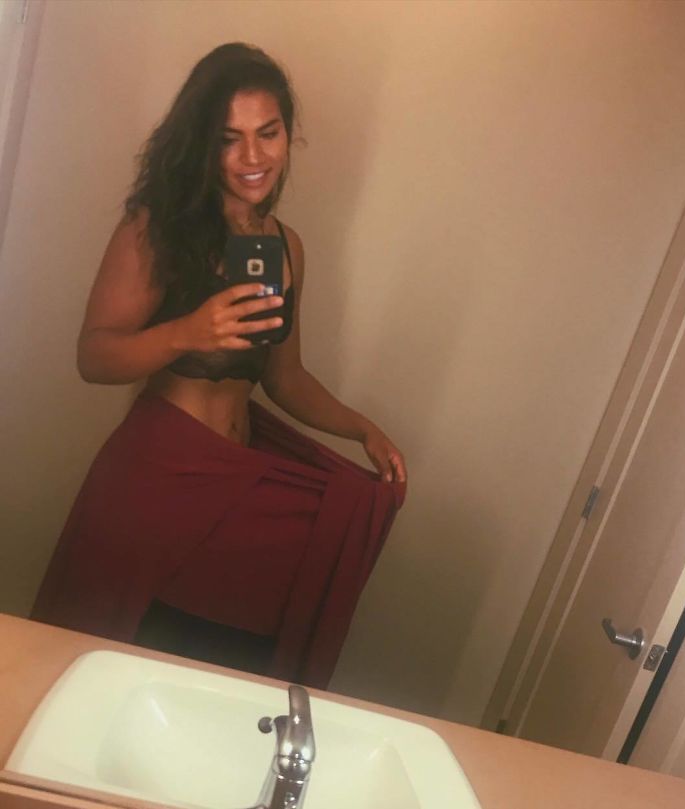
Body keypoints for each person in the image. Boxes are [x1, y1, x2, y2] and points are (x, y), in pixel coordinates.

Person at [32, 43, 406, 687]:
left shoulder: (285, 246)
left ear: (289, 134)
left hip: (238, 485)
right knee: (121, 664)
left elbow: (284, 376)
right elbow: (94, 355)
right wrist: (188, 331)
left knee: (220, 671)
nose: (253, 156)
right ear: (202, 143)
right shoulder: (157, 228)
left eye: (269, 133)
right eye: (229, 139)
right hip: (158, 480)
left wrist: (361, 428)